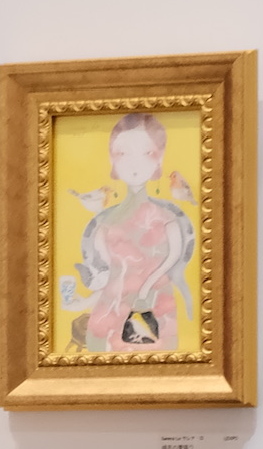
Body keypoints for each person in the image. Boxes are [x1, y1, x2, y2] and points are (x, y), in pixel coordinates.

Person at [70, 111, 194, 352]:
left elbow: (173, 259)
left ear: (160, 158)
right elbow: (110, 278)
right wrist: (83, 303)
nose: (134, 164)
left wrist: (146, 287)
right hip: (108, 315)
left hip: (154, 311)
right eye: (123, 153)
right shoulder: (104, 223)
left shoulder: (167, 219)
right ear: (112, 159)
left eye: (147, 153)